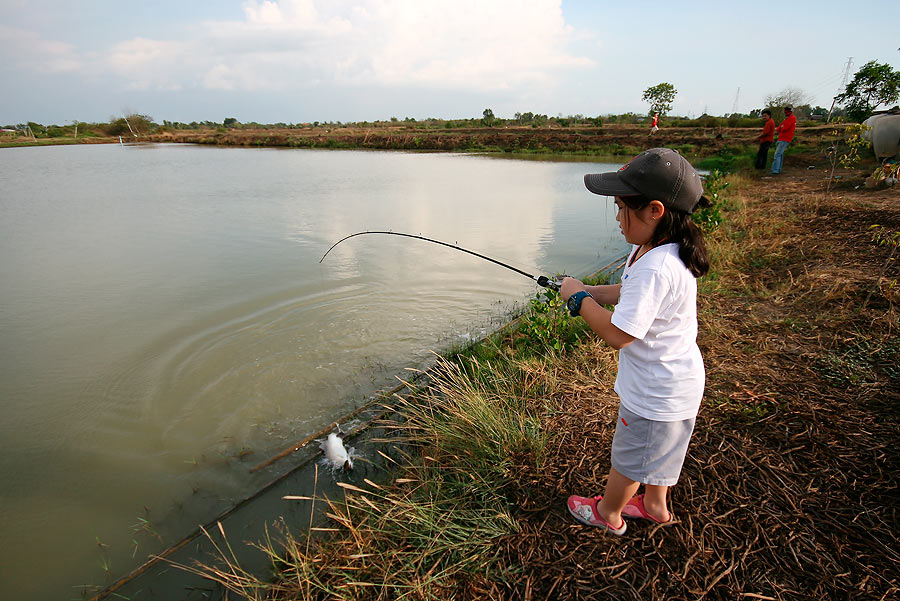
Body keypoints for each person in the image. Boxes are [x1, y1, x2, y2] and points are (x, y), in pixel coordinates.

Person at [562, 148, 709, 535]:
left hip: (656, 392)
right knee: (660, 452)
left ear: (654, 211)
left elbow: (618, 335)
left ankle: (609, 513)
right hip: (676, 382)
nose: (617, 217)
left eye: (622, 207)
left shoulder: (657, 268)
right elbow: (628, 290)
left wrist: (579, 300)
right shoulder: (657, 248)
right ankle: (655, 506)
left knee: (630, 458)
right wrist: (591, 289)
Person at [770, 106, 797, 175]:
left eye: (787, 111)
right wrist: (782, 127)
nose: (786, 112)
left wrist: (782, 127)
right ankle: (777, 169)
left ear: (790, 111)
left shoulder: (791, 118)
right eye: (785, 111)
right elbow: (779, 128)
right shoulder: (787, 119)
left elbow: (784, 128)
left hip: (785, 139)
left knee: (777, 154)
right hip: (782, 138)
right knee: (780, 155)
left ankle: (775, 170)